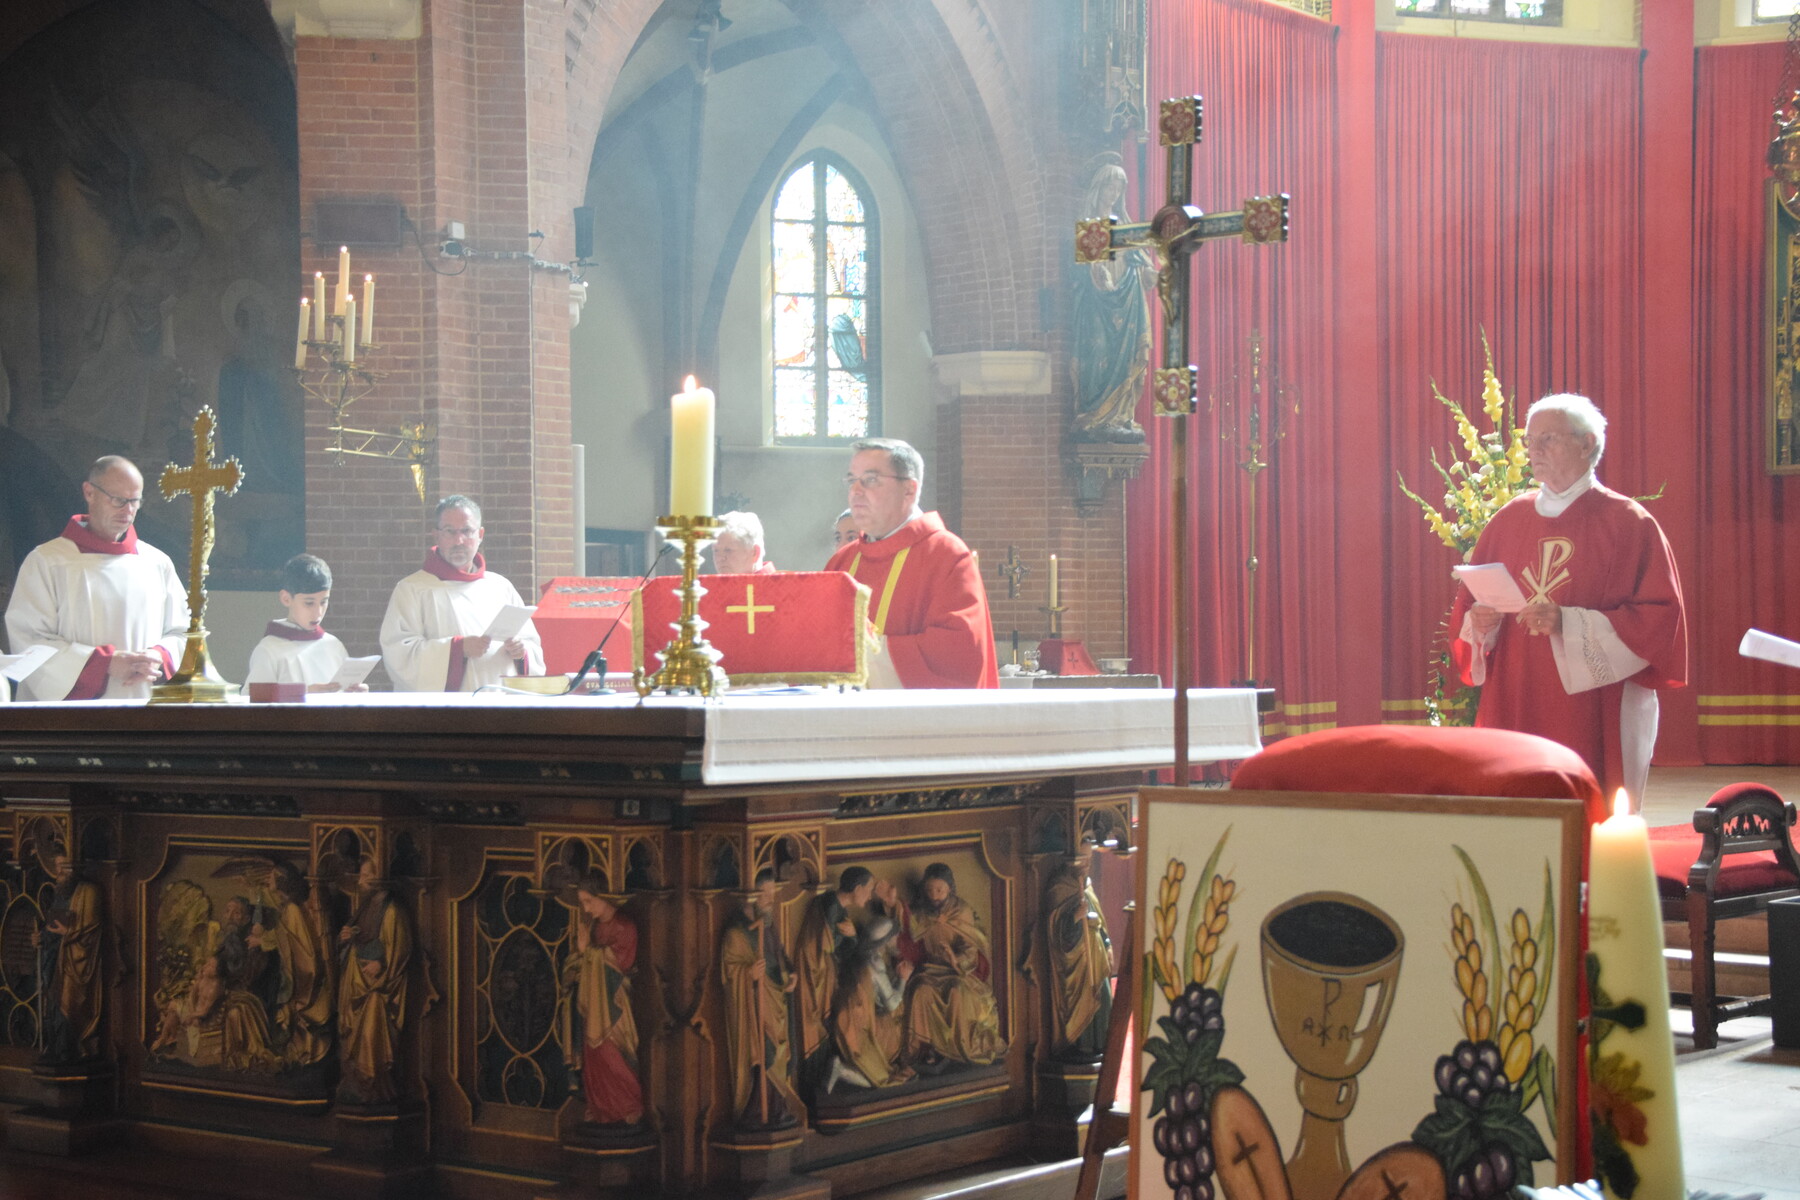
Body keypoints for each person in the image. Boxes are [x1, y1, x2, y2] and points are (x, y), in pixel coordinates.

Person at [1450, 393, 1687, 807]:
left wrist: (1569, 623)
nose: (1534, 451)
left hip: (1592, 707)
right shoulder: (1507, 520)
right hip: (1515, 693)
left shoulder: (1629, 523)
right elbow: (1470, 608)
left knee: (1590, 810)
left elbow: (1658, 620)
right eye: (1530, 441)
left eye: (1548, 439)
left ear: (1587, 444)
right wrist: (1481, 624)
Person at [5, 455, 188, 700]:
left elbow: (182, 632)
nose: (128, 510)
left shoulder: (157, 563)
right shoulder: (47, 561)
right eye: (118, 500)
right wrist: (103, 664)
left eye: (135, 501)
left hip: (143, 706)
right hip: (72, 716)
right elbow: (29, 642)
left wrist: (159, 656)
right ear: (89, 493)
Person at [824, 439, 999, 689]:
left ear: (909, 490)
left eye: (871, 480)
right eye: (852, 480)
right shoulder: (843, 561)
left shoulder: (946, 555)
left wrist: (867, 650)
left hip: (914, 714)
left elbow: (958, 657)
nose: (856, 491)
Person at [380, 494, 545, 691]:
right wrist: (458, 649)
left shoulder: (500, 587)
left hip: (500, 703)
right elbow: (399, 655)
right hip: (447, 708)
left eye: (467, 531)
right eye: (450, 531)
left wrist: (521, 652)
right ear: (436, 535)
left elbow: (533, 648)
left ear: (480, 535)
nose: (459, 540)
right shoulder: (412, 589)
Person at [1070, 156, 1154, 444]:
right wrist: (1097, 272)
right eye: (1110, 187)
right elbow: (1082, 268)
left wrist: (1152, 272)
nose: (1114, 194)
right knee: (1099, 351)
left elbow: (1142, 264)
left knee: (1128, 354)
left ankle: (1120, 415)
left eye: (1119, 189)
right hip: (1098, 302)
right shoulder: (1090, 226)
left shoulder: (1126, 226)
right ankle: (1095, 416)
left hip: (1128, 298)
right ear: (1099, 188)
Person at [898, 863, 1004, 1068]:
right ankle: (926, 1049)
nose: (934, 895)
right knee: (921, 991)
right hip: (930, 970)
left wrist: (954, 959)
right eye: (930, 890)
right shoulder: (922, 912)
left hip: (959, 972)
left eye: (940, 890)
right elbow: (907, 931)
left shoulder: (961, 911)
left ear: (950, 889)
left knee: (957, 992)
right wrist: (891, 904)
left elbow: (972, 948)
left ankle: (958, 1048)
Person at [719, 869, 801, 1127]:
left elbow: (780, 957)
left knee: (780, 1055)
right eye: (764, 894)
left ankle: (777, 1108)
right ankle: (758, 1111)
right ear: (749, 895)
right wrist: (748, 974)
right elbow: (729, 973)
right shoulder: (736, 933)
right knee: (764, 1053)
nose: (770, 900)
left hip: (776, 1003)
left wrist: (790, 975)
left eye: (772, 893)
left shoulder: (768, 926)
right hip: (754, 1007)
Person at [564, 874, 643, 1125]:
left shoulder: (625, 927)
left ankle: (628, 1107)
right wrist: (579, 957)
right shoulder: (595, 928)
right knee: (594, 1056)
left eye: (589, 901)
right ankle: (601, 1109)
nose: (586, 909)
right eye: (583, 903)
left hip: (615, 1006)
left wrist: (587, 951)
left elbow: (620, 965)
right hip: (593, 1005)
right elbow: (584, 962)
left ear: (604, 897)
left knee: (613, 1054)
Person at [337, 856, 413, 1105]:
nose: (360, 881)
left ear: (380, 878)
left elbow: (400, 948)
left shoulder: (392, 911)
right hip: (356, 981)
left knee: (371, 1040)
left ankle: (374, 1088)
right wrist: (347, 936)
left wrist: (383, 965)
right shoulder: (366, 906)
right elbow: (363, 938)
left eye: (366, 876)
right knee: (352, 1039)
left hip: (378, 990)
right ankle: (357, 1086)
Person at [795, 866, 876, 1088]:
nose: (870, 897)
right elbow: (824, 945)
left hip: (827, 974)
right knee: (822, 1024)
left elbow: (843, 951)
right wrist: (848, 936)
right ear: (857, 889)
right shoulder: (830, 905)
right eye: (869, 890)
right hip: (816, 976)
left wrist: (852, 936)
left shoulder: (840, 910)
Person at [246, 554, 365, 691]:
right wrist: (304, 693)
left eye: (323, 602)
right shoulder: (269, 649)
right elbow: (252, 699)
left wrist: (356, 695)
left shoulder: (334, 645)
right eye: (309, 603)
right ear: (286, 599)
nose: (318, 612)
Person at [33, 850, 103, 1064]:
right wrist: (41, 938)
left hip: (77, 961)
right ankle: (56, 1047)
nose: (59, 872)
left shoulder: (89, 891)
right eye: (57, 867)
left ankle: (70, 1051)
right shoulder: (60, 893)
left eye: (64, 867)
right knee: (53, 1004)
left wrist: (68, 933)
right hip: (56, 959)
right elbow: (53, 927)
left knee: (70, 1003)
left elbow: (93, 929)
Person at [1044, 853, 1113, 1061]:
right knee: (1082, 1003)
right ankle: (1084, 1046)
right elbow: (1056, 932)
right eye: (1083, 859)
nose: (1087, 864)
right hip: (1077, 959)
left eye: (1089, 859)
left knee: (1104, 997)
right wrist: (1075, 916)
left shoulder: (1087, 885)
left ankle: (1103, 1044)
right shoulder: (1060, 887)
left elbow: (1100, 921)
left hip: (1096, 954)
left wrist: (1107, 945)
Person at [712, 511, 776, 575]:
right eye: (716, 551)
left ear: (754, 553)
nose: (720, 558)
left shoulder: (777, 581)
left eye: (728, 550)